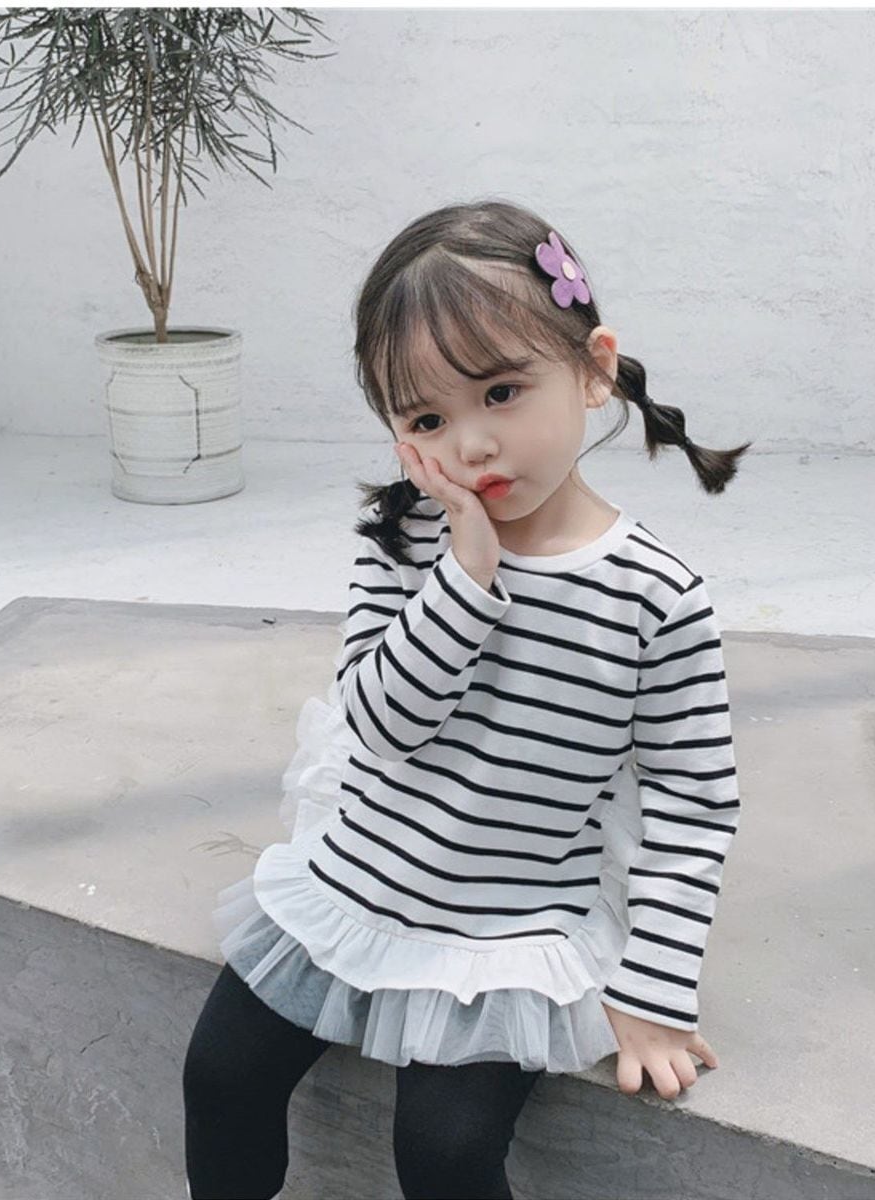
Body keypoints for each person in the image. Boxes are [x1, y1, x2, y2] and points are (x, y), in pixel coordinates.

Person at [183, 198, 751, 1200]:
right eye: (428, 421)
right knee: (220, 1078)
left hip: (508, 927)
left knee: (445, 1152)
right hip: (355, 885)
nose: (474, 445)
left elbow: (692, 803)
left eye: (501, 391)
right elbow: (381, 727)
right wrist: (466, 574)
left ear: (594, 369)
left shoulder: (655, 596)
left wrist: (655, 993)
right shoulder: (405, 544)